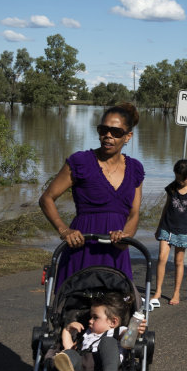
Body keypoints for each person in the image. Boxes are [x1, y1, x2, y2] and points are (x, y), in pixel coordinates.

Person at [39, 103, 145, 289]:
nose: (108, 136)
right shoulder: (80, 162)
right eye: (103, 129)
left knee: (114, 313)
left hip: (116, 254)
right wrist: (64, 231)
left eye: (116, 132)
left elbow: (134, 213)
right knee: (74, 311)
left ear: (128, 136)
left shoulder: (135, 169)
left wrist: (125, 237)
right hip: (81, 248)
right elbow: (47, 198)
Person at [49, 292, 146, 371]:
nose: (90, 321)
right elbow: (69, 347)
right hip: (82, 365)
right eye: (91, 317)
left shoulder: (117, 331)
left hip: (106, 364)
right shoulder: (86, 334)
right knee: (71, 353)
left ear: (113, 322)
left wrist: (135, 331)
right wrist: (67, 330)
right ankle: (63, 366)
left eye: (95, 318)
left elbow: (128, 337)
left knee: (108, 341)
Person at [150, 159, 187, 307]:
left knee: (178, 262)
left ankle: (176, 292)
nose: (179, 182)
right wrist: (159, 227)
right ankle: (158, 291)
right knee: (161, 258)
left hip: (182, 232)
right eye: (176, 178)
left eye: (182, 179)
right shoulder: (172, 188)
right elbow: (166, 207)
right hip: (167, 228)